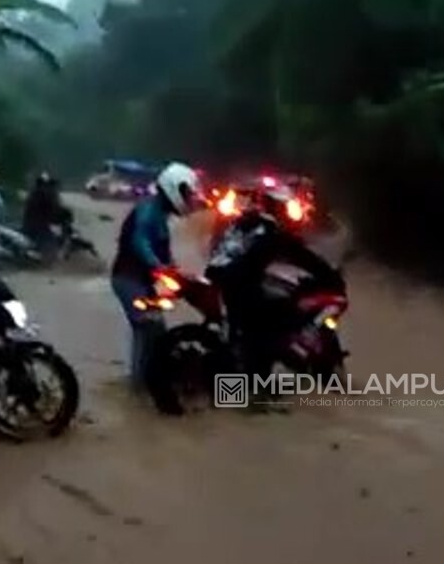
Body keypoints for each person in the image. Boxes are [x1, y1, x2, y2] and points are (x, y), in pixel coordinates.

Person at [205, 183, 344, 398]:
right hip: (240, 286)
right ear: (277, 207)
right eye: (285, 207)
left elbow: (230, 251)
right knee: (271, 330)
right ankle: (255, 394)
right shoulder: (271, 231)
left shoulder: (241, 222)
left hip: (219, 279)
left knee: (246, 330)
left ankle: (242, 385)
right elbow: (302, 257)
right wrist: (331, 277)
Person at [110, 162, 202, 413]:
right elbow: (140, 242)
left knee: (151, 331)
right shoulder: (147, 210)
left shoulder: (160, 216)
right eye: (186, 193)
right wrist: (159, 267)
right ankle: (142, 389)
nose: (188, 198)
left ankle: (138, 384)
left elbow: (164, 254)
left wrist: (176, 271)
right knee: (150, 327)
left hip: (140, 281)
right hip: (128, 279)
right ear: (173, 188)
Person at [22, 171, 73, 252]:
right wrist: (65, 214)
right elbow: (54, 210)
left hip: (33, 225)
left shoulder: (36, 193)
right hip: (37, 227)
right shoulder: (43, 195)